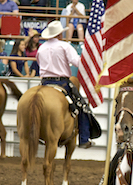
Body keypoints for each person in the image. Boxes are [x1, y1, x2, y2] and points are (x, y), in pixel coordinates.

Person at [37, 19, 99, 148]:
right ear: (59, 34)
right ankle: (83, 138)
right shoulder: (64, 46)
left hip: (44, 83)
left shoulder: (41, 48)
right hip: (62, 83)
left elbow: (39, 63)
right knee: (82, 106)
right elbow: (77, 62)